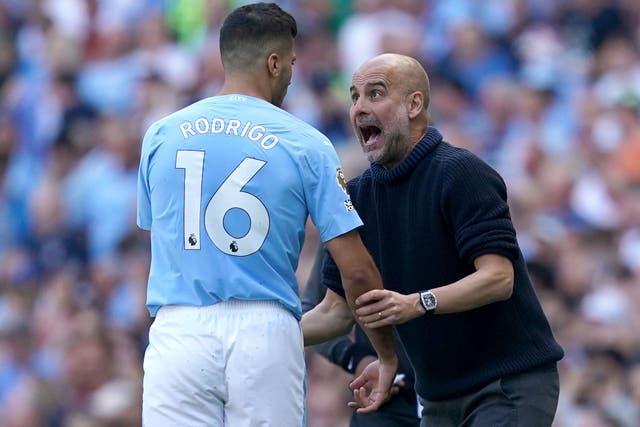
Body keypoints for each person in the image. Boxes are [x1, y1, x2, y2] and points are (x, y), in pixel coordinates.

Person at [136, 4, 397, 426]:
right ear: (273, 63)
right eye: (291, 63)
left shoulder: (161, 134)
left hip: (178, 329)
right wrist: (386, 354)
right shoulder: (306, 143)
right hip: (265, 330)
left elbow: (158, 243)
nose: (292, 75)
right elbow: (358, 272)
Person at [301, 53, 565, 426]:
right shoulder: (357, 196)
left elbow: (498, 278)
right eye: (354, 96)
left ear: (414, 104)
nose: (359, 107)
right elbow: (334, 311)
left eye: (375, 94)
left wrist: (417, 303)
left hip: (507, 385)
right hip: (438, 398)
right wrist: (259, 334)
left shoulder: (461, 173)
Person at [302, 246, 421, 427]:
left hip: (456, 394)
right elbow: (320, 310)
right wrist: (357, 359)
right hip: (384, 403)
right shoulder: (348, 222)